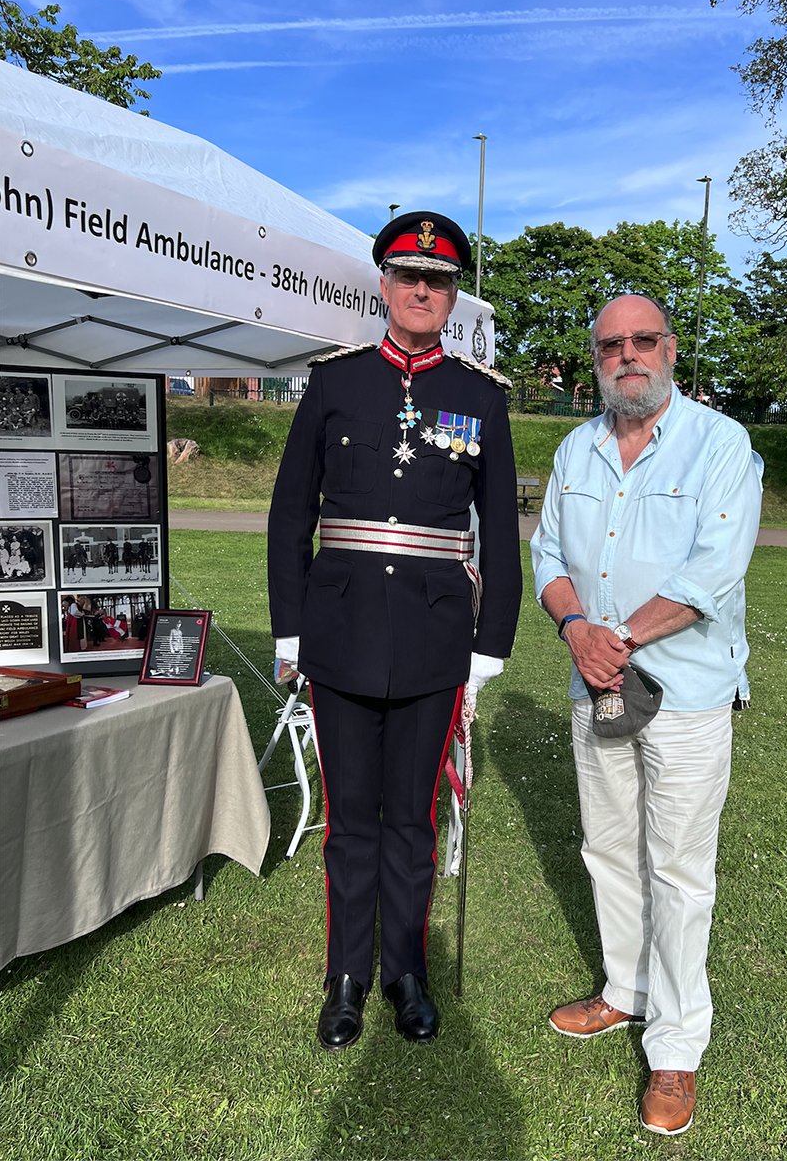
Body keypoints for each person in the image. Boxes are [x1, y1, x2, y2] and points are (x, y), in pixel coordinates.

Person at [267, 210, 522, 1052]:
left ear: (452, 296)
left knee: (412, 818)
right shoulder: (334, 383)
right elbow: (290, 512)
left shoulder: (480, 396)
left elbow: (496, 526)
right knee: (352, 822)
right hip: (338, 630)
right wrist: (289, 630)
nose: (422, 290)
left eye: (438, 280)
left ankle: (405, 971)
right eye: (408, 276)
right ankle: (345, 977)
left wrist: (491, 645)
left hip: (434, 636)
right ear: (383, 284)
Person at [530, 293, 763, 1136]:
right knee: (606, 850)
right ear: (594, 356)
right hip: (596, 683)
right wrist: (572, 628)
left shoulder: (719, 444)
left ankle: (675, 1047)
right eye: (609, 344)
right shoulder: (575, 446)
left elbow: (710, 577)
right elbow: (546, 554)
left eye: (642, 340)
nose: (626, 354)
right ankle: (623, 993)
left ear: (669, 348)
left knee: (677, 869)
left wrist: (613, 638)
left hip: (687, 693)